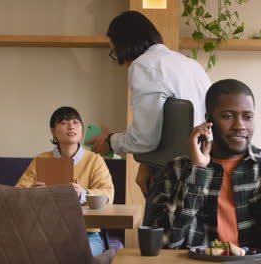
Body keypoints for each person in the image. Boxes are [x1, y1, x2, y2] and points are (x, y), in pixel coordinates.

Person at [151, 79, 261, 250]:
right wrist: (197, 171)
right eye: (227, 116)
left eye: (247, 117)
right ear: (208, 121)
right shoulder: (177, 170)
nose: (239, 126)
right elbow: (164, 244)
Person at [87, 10, 211, 198]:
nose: (120, 60)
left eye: (115, 51)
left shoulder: (144, 65)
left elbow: (145, 138)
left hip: (175, 173)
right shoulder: (191, 64)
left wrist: (110, 141)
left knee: (160, 227)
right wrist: (146, 163)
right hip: (205, 168)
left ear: (124, 44)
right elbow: (167, 123)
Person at [15, 106, 115, 256]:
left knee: (71, 255)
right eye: (64, 122)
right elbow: (16, 194)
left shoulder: (95, 160)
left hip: (85, 234)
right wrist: (32, 193)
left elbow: (108, 194)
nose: (71, 126)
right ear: (53, 131)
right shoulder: (41, 160)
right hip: (45, 232)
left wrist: (82, 194)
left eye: (76, 122)